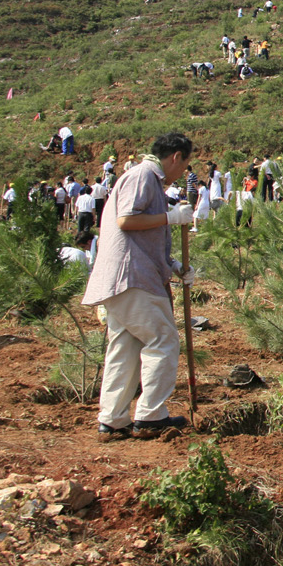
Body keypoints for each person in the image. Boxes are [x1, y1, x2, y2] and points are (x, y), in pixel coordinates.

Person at [82, 132, 196, 441]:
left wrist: (174, 267)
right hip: (132, 277)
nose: (183, 171)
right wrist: (170, 217)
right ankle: (150, 415)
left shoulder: (149, 180)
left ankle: (113, 419)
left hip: (125, 277)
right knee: (163, 340)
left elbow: (143, 238)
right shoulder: (144, 174)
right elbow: (126, 220)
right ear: (176, 157)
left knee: (126, 348)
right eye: (185, 164)